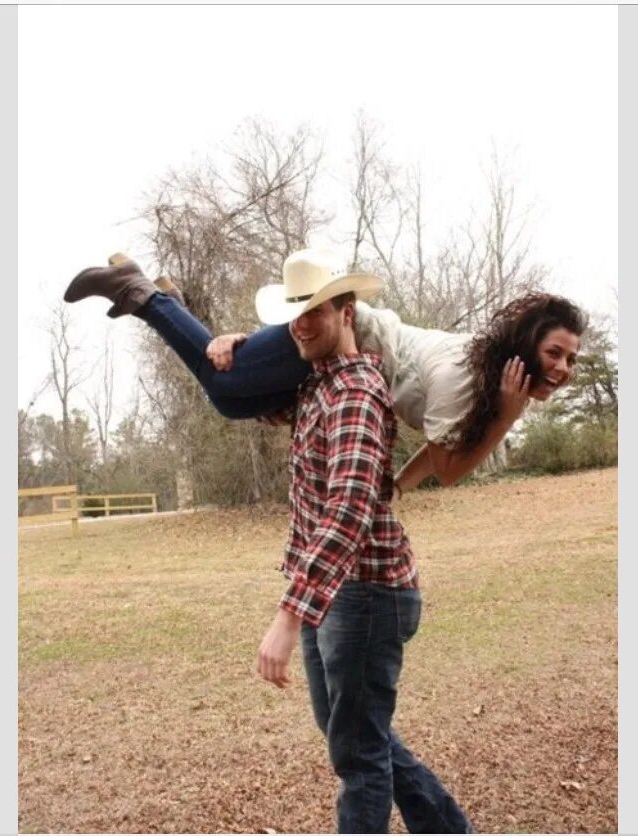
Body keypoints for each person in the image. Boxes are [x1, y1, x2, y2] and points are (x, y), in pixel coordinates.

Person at [251, 255, 473, 833]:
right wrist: (220, 344)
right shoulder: (315, 388)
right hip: (341, 594)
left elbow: (347, 512)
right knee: (355, 737)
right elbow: (243, 398)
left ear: (346, 313)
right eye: (294, 314)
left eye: (315, 311)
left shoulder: (353, 393)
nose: (301, 324)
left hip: (367, 594)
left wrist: (286, 618)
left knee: (357, 757)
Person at [63, 249, 587, 494]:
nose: (562, 369)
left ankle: (169, 303)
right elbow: (450, 468)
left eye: (570, 358)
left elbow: (437, 445)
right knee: (224, 382)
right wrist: (509, 415)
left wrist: (396, 487)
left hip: (351, 350)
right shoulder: (464, 376)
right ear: (524, 345)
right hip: (351, 343)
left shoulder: (487, 379)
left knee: (229, 399)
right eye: (554, 353)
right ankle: (144, 293)